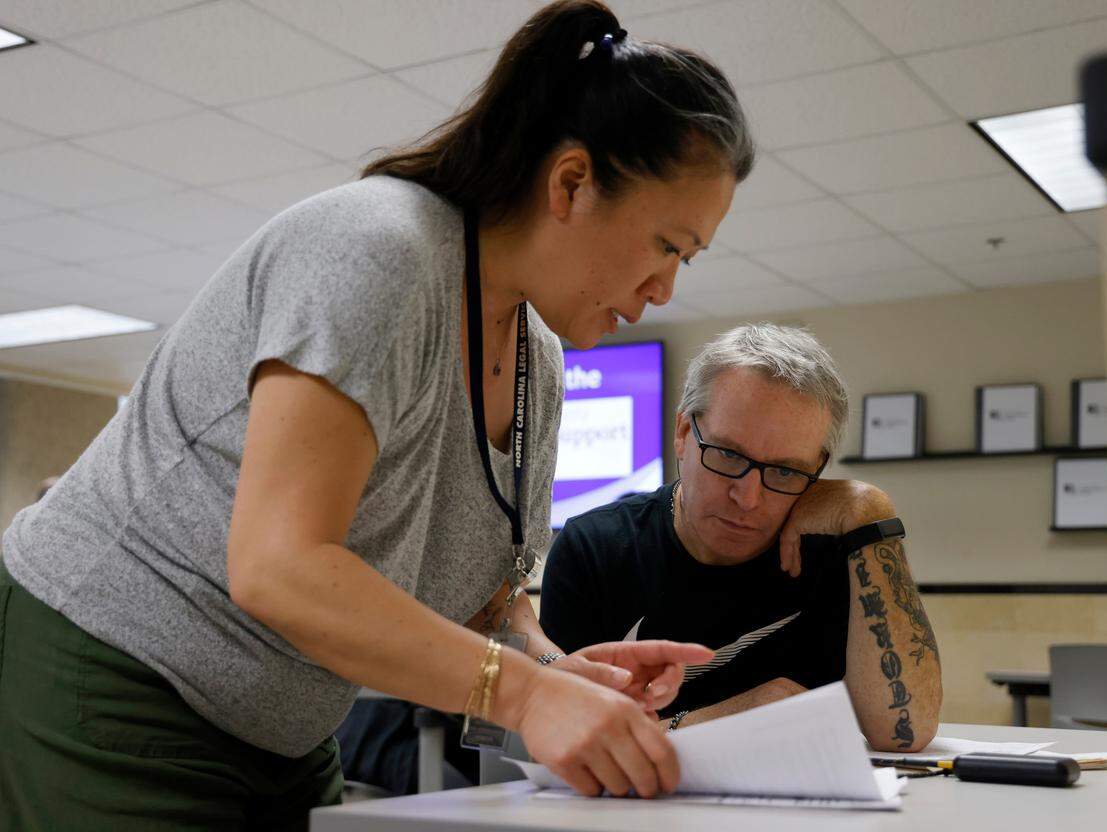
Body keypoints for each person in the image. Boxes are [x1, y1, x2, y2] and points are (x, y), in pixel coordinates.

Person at [0, 1, 755, 826]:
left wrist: (557, 670)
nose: (667, 288)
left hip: (282, 729)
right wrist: (528, 696)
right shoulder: (381, 251)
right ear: (571, 183)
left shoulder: (540, 361)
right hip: (117, 670)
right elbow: (278, 565)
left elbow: (483, 596)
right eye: (668, 246)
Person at [540, 324, 942, 751]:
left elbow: (906, 732)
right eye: (728, 455)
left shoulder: (831, 550)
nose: (748, 498)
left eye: (785, 471)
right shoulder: (596, 548)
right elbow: (564, 741)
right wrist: (740, 715)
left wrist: (871, 510)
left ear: (818, 469)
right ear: (682, 434)